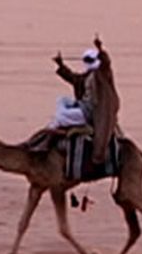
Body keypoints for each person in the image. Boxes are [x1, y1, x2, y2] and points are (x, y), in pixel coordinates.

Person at [49, 35, 120, 165]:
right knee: (61, 100)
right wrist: (61, 65)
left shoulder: (103, 74)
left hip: (94, 111)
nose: (88, 62)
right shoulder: (87, 76)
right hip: (84, 106)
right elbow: (72, 78)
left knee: (61, 116)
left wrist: (100, 48)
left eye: (90, 59)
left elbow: (106, 62)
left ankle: (52, 132)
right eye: (86, 59)